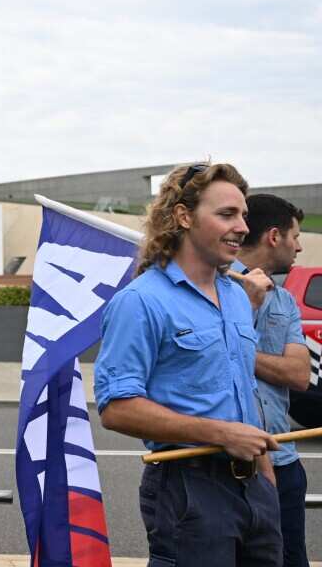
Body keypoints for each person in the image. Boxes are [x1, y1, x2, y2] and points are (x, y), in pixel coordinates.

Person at [94, 162, 282, 566]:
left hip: (255, 490)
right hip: (187, 488)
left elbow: (242, 392)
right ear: (183, 216)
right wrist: (220, 433)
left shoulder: (235, 295)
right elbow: (116, 408)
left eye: (244, 215)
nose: (243, 227)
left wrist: (265, 475)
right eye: (227, 214)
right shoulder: (140, 301)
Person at [238, 193, 308, 567]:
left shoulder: (284, 300)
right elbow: (211, 363)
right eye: (295, 237)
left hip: (285, 461)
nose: (299, 247)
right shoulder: (214, 289)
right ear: (274, 236)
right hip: (234, 466)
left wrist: (238, 355)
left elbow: (298, 374)